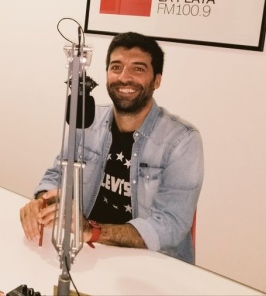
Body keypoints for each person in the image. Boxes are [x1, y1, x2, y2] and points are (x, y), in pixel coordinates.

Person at [19, 32, 203, 264]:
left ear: (157, 80)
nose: (124, 77)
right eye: (116, 67)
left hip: (150, 263)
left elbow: (170, 225)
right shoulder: (87, 120)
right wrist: (44, 202)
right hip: (88, 252)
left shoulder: (182, 140)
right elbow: (57, 175)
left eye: (138, 69)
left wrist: (93, 231)